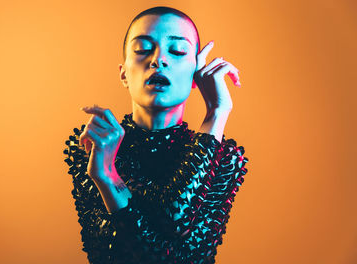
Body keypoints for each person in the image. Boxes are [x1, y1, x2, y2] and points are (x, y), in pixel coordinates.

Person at [63, 6, 249, 264]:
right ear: (124, 73)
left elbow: (176, 231)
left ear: (196, 75)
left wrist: (217, 113)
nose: (158, 59)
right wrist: (103, 174)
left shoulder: (224, 158)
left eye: (178, 51)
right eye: (142, 49)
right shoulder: (94, 145)